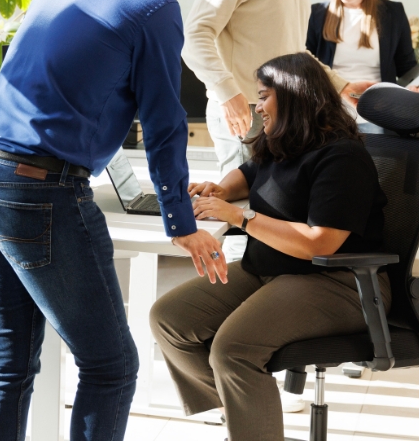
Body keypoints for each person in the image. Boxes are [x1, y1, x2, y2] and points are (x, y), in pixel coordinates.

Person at [0, 0, 228, 441]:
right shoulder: (152, 5)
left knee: (8, 366)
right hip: (39, 193)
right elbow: (164, 122)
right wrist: (183, 222)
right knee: (112, 366)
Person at [150, 53, 390, 441]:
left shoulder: (342, 157)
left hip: (338, 282)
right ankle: (248, 418)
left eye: (263, 96)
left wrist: (240, 217)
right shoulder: (286, 141)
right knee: (169, 319)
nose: (257, 105)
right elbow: (250, 172)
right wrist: (222, 189)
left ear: (294, 96)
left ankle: (252, 424)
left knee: (233, 350)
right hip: (271, 270)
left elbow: (321, 242)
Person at [182, 0, 374, 268]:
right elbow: (195, 35)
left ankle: (263, 307)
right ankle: (229, 311)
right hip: (245, 114)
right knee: (234, 222)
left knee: (267, 219)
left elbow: (294, 51)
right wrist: (228, 94)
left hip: (283, 118)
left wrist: (339, 84)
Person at [307, 0, 419, 132]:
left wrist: (416, 87)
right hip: (328, 119)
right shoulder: (318, 15)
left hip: (379, 117)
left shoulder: (393, 13)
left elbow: (407, 68)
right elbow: (305, 66)